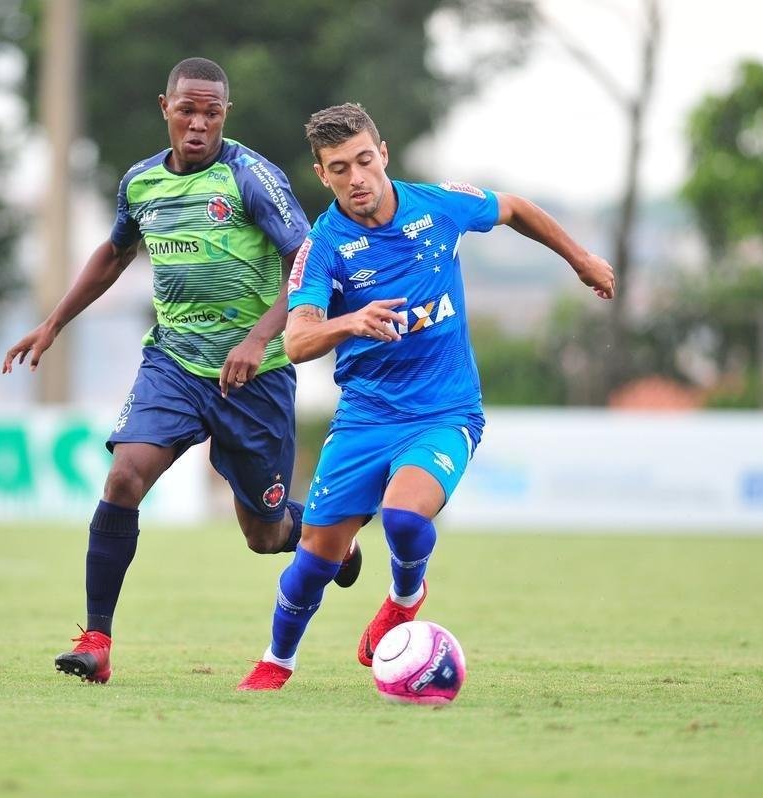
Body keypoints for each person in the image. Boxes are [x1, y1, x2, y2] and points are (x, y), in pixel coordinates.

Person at [3, 57, 361, 685]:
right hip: (172, 362)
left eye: (212, 112)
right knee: (123, 479)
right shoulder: (142, 183)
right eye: (187, 110)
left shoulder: (250, 178)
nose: (198, 123)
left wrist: (255, 340)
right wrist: (54, 321)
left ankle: (329, 534)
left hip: (257, 377)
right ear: (164, 107)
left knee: (262, 532)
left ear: (225, 115)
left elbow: (307, 264)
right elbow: (114, 253)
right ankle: (96, 641)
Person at [237, 103, 615, 690]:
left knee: (404, 516)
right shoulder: (324, 246)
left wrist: (582, 259)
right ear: (322, 173)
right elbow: (299, 337)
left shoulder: (437, 206)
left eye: (365, 160)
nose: (357, 177)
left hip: (445, 411)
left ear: (382, 154)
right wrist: (350, 321)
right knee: (313, 562)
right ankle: (276, 662)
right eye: (340, 168)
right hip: (365, 417)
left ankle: (404, 597)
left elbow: (513, 208)